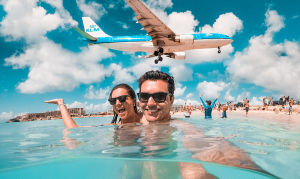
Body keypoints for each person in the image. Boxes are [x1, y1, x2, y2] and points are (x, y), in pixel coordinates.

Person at [45, 83, 142, 128]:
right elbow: (74, 130)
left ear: (134, 101)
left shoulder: (147, 119)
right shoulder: (114, 128)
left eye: (122, 98)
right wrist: (61, 104)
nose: (117, 103)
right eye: (112, 101)